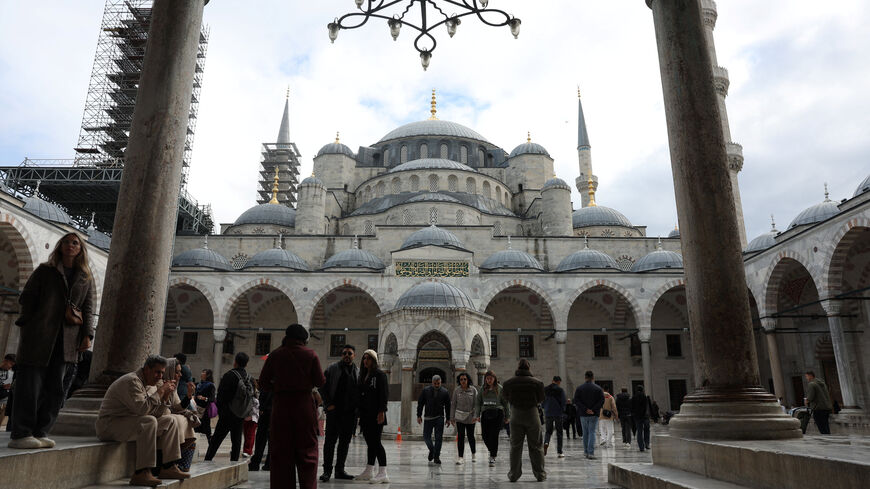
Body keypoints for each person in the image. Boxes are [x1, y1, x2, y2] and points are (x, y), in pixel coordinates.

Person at [9, 232, 94, 449]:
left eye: (75, 243)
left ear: (80, 248)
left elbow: (88, 308)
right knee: (31, 385)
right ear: (60, 246)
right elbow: (26, 297)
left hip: (67, 340)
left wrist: (87, 335)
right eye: (66, 242)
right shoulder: (45, 271)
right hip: (40, 336)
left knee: (56, 389)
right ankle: (22, 433)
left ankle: (41, 431)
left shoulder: (85, 276)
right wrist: (31, 322)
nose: (70, 246)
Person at [96, 355, 194, 487]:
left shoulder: (150, 383)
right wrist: (160, 392)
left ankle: (168, 467)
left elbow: (156, 413)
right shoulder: (132, 381)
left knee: (170, 420)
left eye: (162, 373)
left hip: (131, 422)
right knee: (148, 421)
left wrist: (164, 397)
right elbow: (142, 410)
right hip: (111, 424)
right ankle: (142, 472)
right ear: (147, 369)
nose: (160, 376)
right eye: (157, 372)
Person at [259, 324, 325, 489]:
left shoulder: (275, 355)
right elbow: (320, 381)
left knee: (281, 453)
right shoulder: (310, 354)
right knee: (307, 451)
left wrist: (279, 387)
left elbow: (263, 383)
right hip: (304, 405)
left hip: (281, 406)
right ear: (304, 339)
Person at [319, 344, 360, 482]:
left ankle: (340, 470)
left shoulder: (357, 371)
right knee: (330, 442)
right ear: (341, 355)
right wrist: (328, 404)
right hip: (334, 412)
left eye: (350, 353)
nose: (347, 356)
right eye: (344, 353)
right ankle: (327, 471)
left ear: (354, 355)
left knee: (344, 443)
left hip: (350, 414)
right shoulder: (332, 368)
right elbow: (322, 387)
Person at [502, 359, 546, 482]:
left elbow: (505, 397)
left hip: (516, 413)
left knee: (515, 446)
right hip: (532, 413)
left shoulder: (508, 383)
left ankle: (514, 475)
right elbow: (541, 398)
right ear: (529, 368)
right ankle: (540, 474)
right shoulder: (538, 383)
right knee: (536, 446)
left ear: (518, 368)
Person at [204, 352, 252, 462]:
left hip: (227, 413)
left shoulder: (229, 375)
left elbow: (221, 395)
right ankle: (234, 461)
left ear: (235, 362)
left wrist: (222, 410)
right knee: (237, 440)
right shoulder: (249, 377)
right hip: (240, 413)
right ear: (246, 364)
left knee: (216, 439)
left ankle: (208, 459)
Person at [354, 349, 389, 483]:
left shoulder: (380, 375)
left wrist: (381, 412)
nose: (365, 361)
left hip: (376, 414)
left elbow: (383, 394)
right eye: (364, 358)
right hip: (365, 414)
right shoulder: (363, 376)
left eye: (368, 358)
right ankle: (369, 470)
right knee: (370, 442)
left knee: (376, 442)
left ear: (374, 360)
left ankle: (383, 472)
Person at [475, 370, 509, 466]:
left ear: (494, 379)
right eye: (488, 379)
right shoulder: (482, 389)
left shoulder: (500, 389)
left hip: (497, 413)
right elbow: (478, 403)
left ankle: (493, 456)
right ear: (485, 379)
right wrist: (477, 415)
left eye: (491, 378)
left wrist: (507, 416)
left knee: (494, 435)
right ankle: (492, 450)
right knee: (485, 435)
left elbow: (506, 404)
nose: (489, 380)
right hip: (486, 413)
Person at [417, 374, 450, 465]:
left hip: (439, 417)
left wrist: (448, 418)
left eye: (438, 383)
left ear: (441, 382)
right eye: (435, 383)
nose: (436, 385)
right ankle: (432, 450)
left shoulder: (445, 392)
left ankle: (436, 457)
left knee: (438, 438)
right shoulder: (425, 391)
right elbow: (420, 403)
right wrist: (419, 415)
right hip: (428, 417)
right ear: (432, 383)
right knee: (426, 437)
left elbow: (448, 406)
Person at [573, 370, 604, 459]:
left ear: (585, 377)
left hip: (583, 414)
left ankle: (586, 452)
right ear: (593, 378)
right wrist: (593, 409)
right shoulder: (598, 389)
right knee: (592, 432)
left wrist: (585, 409)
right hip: (594, 414)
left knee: (585, 433)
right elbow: (601, 401)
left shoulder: (579, 388)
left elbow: (576, 400)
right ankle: (591, 452)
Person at [451, 372, 479, 464]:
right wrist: (452, 417)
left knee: (471, 436)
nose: (463, 381)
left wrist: (476, 416)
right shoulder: (457, 390)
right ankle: (460, 457)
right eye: (461, 379)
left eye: (465, 379)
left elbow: (477, 404)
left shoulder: (473, 390)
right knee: (461, 436)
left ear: (468, 380)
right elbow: (453, 404)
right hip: (460, 417)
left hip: (471, 417)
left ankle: (473, 454)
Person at [249, 387, 272, 472]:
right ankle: (269, 463)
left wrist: (262, 408)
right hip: (274, 411)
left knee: (261, 439)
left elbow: (267, 393)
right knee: (271, 439)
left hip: (266, 412)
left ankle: (255, 463)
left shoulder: (270, 382)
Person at [542, 375, 566, 458]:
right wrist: (563, 410)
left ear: (552, 380)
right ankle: (560, 452)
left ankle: (546, 442)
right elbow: (563, 401)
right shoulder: (560, 390)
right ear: (559, 382)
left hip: (548, 412)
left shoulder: (545, 389)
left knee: (548, 431)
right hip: (558, 413)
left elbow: (542, 400)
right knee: (559, 432)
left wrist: (544, 407)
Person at [194, 369, 216, 441]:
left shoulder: (210, 385)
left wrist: (204, 398)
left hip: (205, 410)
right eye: (202, 371)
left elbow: (212, 398)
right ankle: (194, 448)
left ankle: (211, 447)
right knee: (195, 428)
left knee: (207, 430)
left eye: (204, 372)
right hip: (197, 409)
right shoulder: (198, 384)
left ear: (208, 375)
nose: (201, 373)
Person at [630, 385, 652, 452]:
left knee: (639, 431)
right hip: (645, 417)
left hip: (637, 417)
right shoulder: (645, 396)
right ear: (642, 389)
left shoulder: (633, 397)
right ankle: (647, 444)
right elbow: (647, 407)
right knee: (646, 430)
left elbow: (631, 407)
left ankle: (641, 447)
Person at [243, 384, 260, 457]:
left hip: (252, 419)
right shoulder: (247, 397)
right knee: (247, 435)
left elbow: (255, 410)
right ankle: (246, 450)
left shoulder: (254, 399)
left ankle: (248, 451)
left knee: (250, 435)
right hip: (246, 418)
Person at [0, 354, 15, 428]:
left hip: (5, 399)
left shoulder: (11, 373)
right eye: (11, 364)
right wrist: (2, 386)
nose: (11, 366)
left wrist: (10, 386)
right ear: (5, 361)